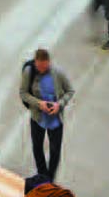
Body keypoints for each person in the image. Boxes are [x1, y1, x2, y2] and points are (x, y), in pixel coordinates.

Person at [18, 49, 74, 183]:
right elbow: (23, 93)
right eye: (39, 66)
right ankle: (42, 175)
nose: (41, 69)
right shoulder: (29, 72)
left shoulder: (58, 73)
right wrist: (39, 104)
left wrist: (59, 105)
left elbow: (70, 90)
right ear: (35, 63)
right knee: (37, 148)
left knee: (55, 151)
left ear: (49, 62)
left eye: (44, 66)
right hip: (38, 118)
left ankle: (50, 179)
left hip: (55, 120)